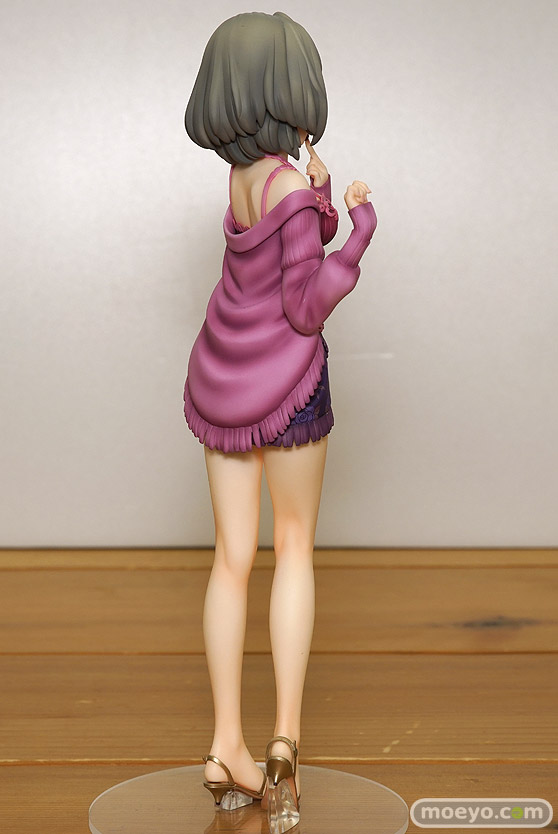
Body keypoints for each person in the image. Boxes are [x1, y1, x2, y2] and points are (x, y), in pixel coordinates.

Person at [182, 11, 377, 830]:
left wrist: (318, 197)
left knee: (232, 558)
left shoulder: (242, 181)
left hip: (224, 380)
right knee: (293, 545)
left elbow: (275, 243)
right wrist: (358, 232)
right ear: (289, 93)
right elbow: (305, 303)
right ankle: (285, 741)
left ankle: (224, 744)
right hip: (290, 388)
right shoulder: (289, 188)